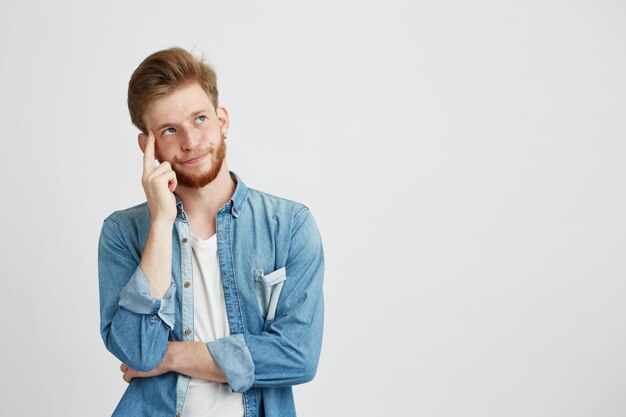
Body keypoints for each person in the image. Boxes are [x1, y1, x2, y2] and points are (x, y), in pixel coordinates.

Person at [97, 46, 325, 417]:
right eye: (170, 130)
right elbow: (138, 352)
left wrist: (169, 356)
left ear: (222, 119)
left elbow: (298, 357)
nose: (190, 141)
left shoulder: (289, 226)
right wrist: (160, 222)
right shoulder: (123, 232)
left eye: (200, 119)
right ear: (147, 146)